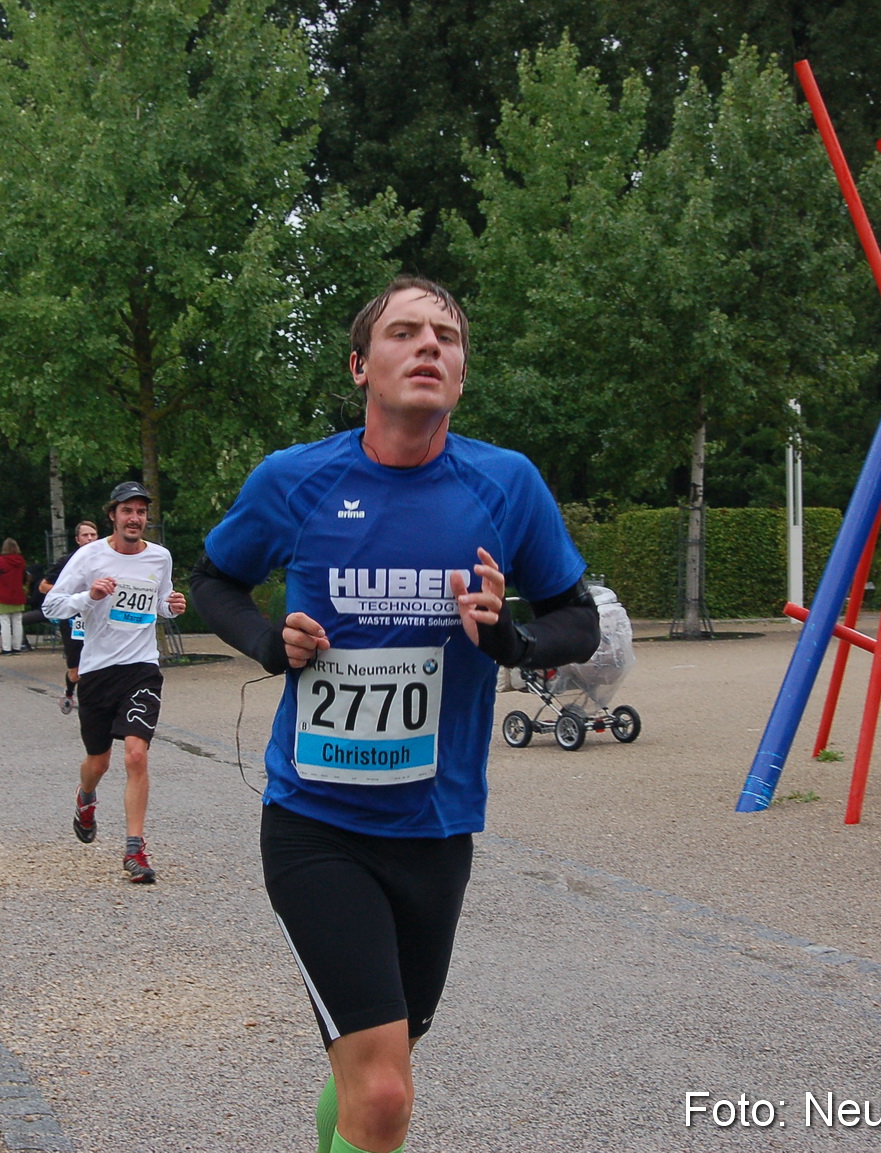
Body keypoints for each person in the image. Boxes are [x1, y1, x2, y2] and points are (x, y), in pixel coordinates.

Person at [190, 276, 598, 1153]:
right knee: (383, 1096)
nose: (428, 347)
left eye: (446, 336)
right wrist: (270, 643)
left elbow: (579, 619)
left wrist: (509, 638)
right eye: (405, 332)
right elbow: (214, 580)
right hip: (316, 821)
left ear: (462, 370)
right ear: (359, 365)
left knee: (382, 1067)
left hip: (438, 823)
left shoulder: (505, 484)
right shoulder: (296, 479)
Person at [42, 482, 186, 884]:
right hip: (97, 671)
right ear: (113, 515)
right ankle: (85, 798)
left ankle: (134, 849)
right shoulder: (88, 557)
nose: (135, 518)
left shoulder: (160, 557)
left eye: (141, 512)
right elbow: (51, 605)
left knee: (136, 755)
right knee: (98, 762)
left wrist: (170, 606)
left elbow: (160, 603)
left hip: (141, 667)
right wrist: (89, 596)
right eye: (128, 511)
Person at [37, 519, 101, 712]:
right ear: (77, 539)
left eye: (93, 535)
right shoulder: (68, 562)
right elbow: (43, 586)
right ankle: (69, 692)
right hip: (74, 620)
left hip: (98, 619)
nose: (89, 538)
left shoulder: (107, 560)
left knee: (99, 664)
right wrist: (75, 595)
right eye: (85, 535)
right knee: (75, 671)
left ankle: (92, 707)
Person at [0, 538, 29, 655]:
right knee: (17, 622)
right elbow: (23, 576)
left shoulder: (1, 561)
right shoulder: (21, 560)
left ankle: (6, 648)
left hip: (2, 594)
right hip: (18, 594)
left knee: (5, 622)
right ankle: (17, 647)